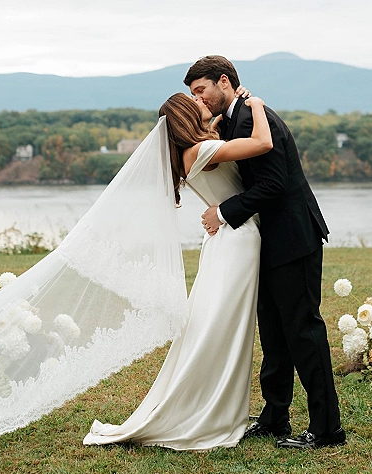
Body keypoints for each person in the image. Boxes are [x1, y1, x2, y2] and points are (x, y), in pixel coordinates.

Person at [82, 91, 273, 450]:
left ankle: (216, 404)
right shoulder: (200, 152)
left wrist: (217, 122)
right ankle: (211, 410)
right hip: (239, 239)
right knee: (224, 329)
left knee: (216, 325)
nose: (202, 101)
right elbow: (263, 142)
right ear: (187, 115)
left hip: (227, 238)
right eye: (196, 101)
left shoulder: (195, 150)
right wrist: (257, 105)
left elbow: (216, 136)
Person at [185, 55, 345, 450]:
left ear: (224, 82)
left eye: (201, 91)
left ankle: (327, 430)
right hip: (269, 243)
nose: (199, 101)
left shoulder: (260, 119)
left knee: (303, 332)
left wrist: (222, 213)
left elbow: (273, 185)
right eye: (193, 95)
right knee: (274, 335)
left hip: (293, 239)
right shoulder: (237, 119)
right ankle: (275, 417)